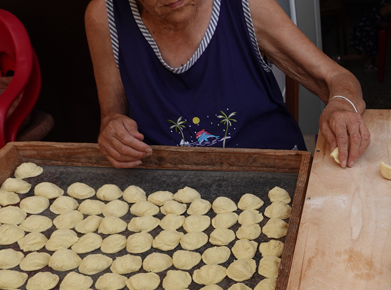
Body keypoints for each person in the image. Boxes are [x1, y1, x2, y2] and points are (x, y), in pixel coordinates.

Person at [85, 0, 370, 168]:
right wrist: (113, 130)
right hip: (171, 189)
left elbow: (337, 79)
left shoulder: (246, 5)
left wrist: (340, 105)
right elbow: (112, 116)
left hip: (274, 172)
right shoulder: (104, 16)